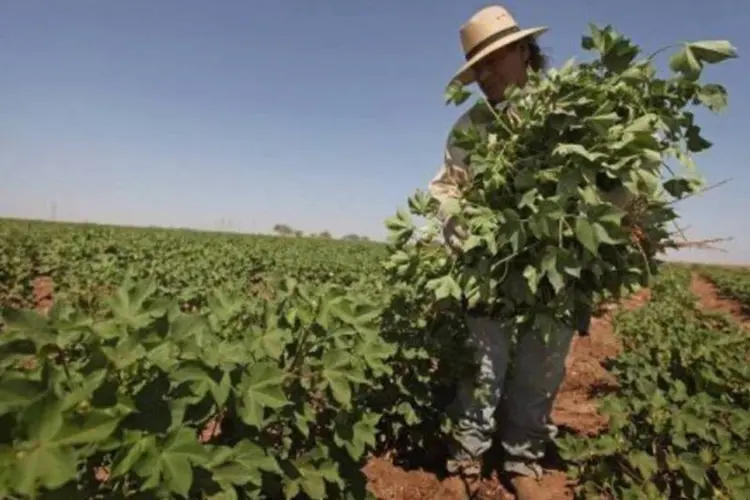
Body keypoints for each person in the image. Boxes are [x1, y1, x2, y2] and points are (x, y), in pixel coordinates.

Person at [427, 5, 632, 499]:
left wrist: (582, 224)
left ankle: (522, 460)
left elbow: (618, 187)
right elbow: (445, 190)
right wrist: (473, 230)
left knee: (542, 363)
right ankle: (466, 460)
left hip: (560, 266)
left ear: (524, 51)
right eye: (478, 66)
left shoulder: (573, 108)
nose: (487, 74)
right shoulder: (470, 126)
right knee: (483, 362)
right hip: (489, 265)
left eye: (496, 59)